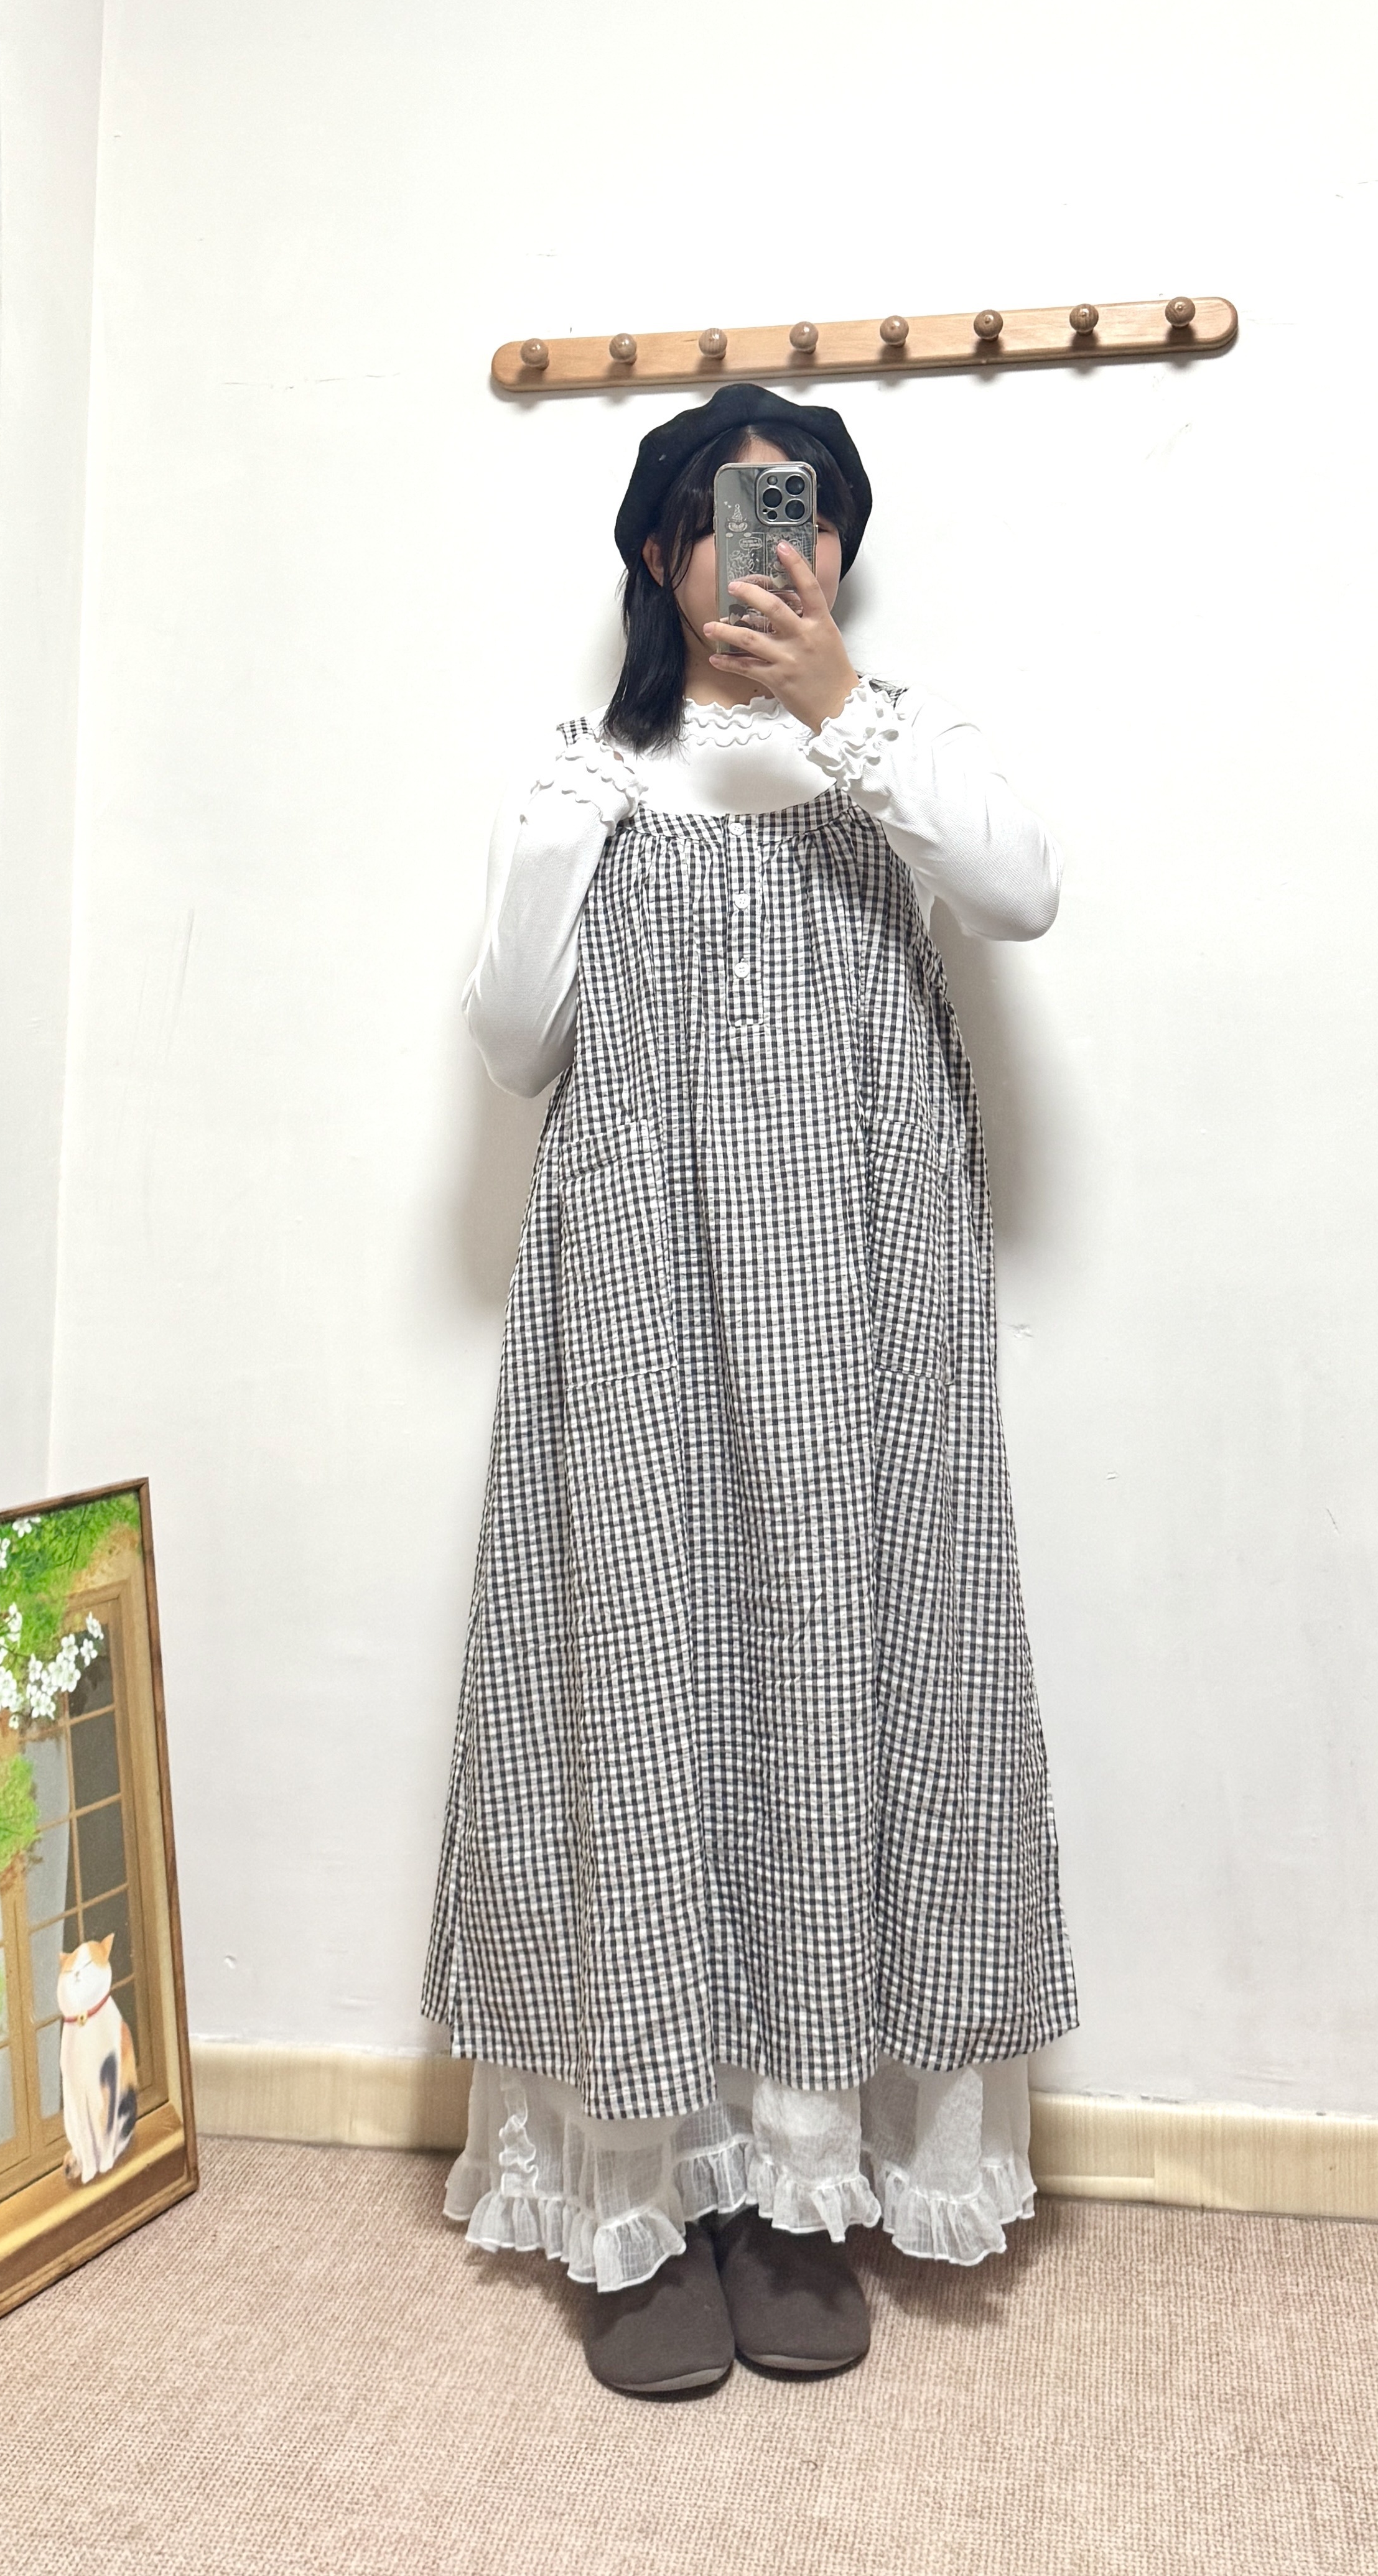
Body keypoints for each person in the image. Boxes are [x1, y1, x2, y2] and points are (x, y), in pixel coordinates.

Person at [421, 384, 1076, 2398]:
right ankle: (641, 2192)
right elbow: (514, 1041)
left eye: (804, 520)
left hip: (863, 1319)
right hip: (632, 1306)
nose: (769, 555)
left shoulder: (899, 756)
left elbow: (1021, 888)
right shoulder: (586, 780)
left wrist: (839, 709)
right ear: (659, 552)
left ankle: (801, 2189)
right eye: (729, 519)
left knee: (850, 1687)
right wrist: (564, 826)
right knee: (634, 1688)